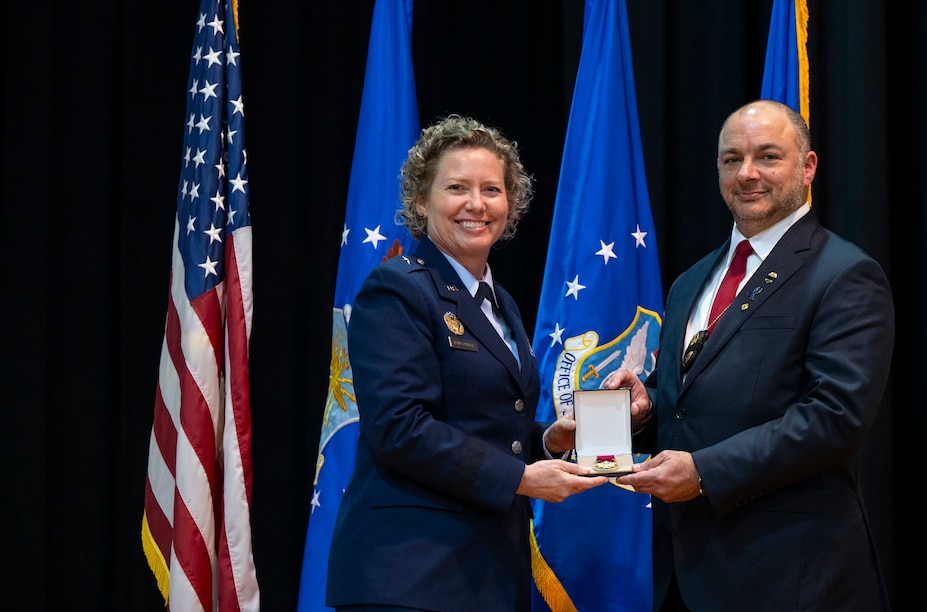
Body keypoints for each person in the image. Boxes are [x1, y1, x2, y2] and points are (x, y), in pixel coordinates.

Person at [603, 99, 894, 611]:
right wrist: (647, 410)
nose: (748, 173)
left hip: (793, 578)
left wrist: (703, 473)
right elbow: (692, 409)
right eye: (732, 159)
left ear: (808, 167)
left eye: (768, 157)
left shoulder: (845, 275)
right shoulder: (690, 282)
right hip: (684, 576)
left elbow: (835, 417)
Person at [326, 115, 607, 611]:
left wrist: (548, 439)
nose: (476, 204)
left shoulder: (499, 303)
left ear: (510, 204)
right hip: (410, 575)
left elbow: (487, 423)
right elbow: (401, 428)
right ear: (420, 200)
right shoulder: (397, 289)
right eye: (457, 187)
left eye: (492, 190)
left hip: (485, 574)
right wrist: (521, 478)